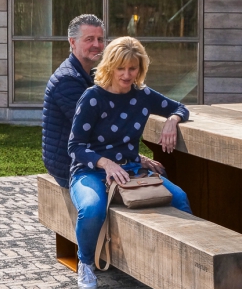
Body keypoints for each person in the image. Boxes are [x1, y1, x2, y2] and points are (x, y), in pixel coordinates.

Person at [68, 36, 191, 289]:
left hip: (132, 170)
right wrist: (105, 163)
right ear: (110, 65)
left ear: (140, 68)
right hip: (90, 169)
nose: (126, 74)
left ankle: (185, 267)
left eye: (132, 68)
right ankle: (86, 262)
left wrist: (172, 120)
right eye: (121, 68)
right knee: (92, 209)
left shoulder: (143, 95)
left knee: (179, 198)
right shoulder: (93, 97)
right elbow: (75, 147)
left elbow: (180, 107)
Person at [42, 14, 163, 189]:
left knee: (159, 178)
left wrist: (173, 118)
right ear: (72, 42)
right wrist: (135, 158)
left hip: (94, 157)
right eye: (89, 39)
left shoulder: (91, 75)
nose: (97, 45)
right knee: (146, 188)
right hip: (71, 165)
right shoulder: (67, 80)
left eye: (100, 39)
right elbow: (100, 129)